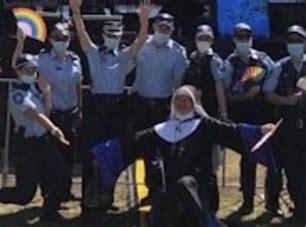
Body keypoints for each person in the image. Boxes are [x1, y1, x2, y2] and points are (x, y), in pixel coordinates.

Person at [91, 85, 277, 227]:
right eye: (178, 100)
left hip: (200, 190)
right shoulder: (160, 130)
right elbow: (130, 144)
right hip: (167, 193)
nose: (182, 103)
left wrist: (259, 130)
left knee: (186, 182)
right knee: (177, 189)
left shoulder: (204, 125)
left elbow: (233, 132)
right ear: (173, 102)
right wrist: (101, 151)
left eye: (186, 100)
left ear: (193, 103)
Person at [69, 0, 151, 217]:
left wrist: (144, 22)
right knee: (91, 155)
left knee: (113, 155)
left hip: (117, 108)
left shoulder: (124, 55)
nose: (113, 38)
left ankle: (107, 199)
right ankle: (87, 203)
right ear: (103, 35)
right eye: (109, 34)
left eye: (117, 35)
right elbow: (82, 33)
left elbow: (140, 43)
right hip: (97, 106)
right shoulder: (94, 53)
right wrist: (76, 12)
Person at [0, 35, 71, 221]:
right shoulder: (17, 93)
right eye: (27, 69)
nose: (31, 73)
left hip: (43, 142)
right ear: (18, 71)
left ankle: (50, 213)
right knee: (24, 195)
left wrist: (47, 94)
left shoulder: (35, 90)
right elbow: (36, 115)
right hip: (28, 146)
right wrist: (54, 130)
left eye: (34, 69)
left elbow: (47, 112)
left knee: (60, 176)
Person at [223, 22, 279, 215]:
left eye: (247, 37)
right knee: (248, 161)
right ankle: (247, 202)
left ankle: (272, 204)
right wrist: (245, 95)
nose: (244, 40)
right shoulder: (229, 63)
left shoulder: (263, 59)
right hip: (244, 117)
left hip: (265, 114)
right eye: (240, 37)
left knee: (272, 160)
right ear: (234, 40)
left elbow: (275, 79)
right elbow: (228, 94)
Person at [132, 12, 188, 203]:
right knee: (147, 151)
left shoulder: (178, 52)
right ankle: (153, 191)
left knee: (166, 151)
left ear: (173, 29)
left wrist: (176, 111)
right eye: (160, 25)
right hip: (140, 104)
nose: (163, 28)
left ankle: (169, 192)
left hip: (164, 107)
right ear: (153, 26)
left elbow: (178, 84)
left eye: (168, 26)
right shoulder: (141, 45)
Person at [35, 21, 83, 201]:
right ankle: (48, 192)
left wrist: (80, 109)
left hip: (70, 113)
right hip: (51, 115)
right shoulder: (42, 59)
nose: (61, 41)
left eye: (64, 38)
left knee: (69, 155)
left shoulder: (75, 59)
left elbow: (78, 86)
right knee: (51, 158)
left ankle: (65, 191)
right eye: (57, 38)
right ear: (50, 39)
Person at [181, 24, 228, 212]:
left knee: (210, 163)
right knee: (191, 159)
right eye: (201, 38)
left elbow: (219, 88)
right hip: (189, 116)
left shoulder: (215, 61)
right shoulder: (190, 59)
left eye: (207, 38)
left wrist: (223, 114)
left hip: (208, 116)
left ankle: (211, 206)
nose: (203, 41)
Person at [264, 25, 306, 224]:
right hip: (287, 124)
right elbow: (268, 94)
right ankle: (284, 206)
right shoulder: (279, 67)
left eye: (299, 40)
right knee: (290, 168)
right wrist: (285, 100)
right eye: (291, 41)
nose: (295, 44)